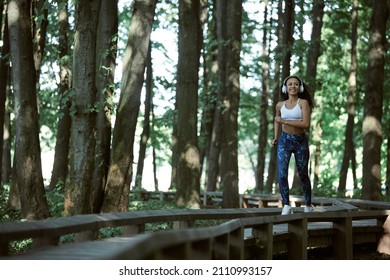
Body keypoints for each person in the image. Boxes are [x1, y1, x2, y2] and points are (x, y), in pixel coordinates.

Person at [271, 75, 314, 215]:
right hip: (284, 141)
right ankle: (286, 205)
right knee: (282, 174)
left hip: (300, 142)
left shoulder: (303, 103)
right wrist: (275, 137)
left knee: (303, 174)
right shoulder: (279, 105)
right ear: (285, 87)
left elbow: (305, 124)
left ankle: (308, 204)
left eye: (296, 84)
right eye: (290, 84)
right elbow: (277, 121)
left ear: (300, 87)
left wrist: (284, 121)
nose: (293, 86)